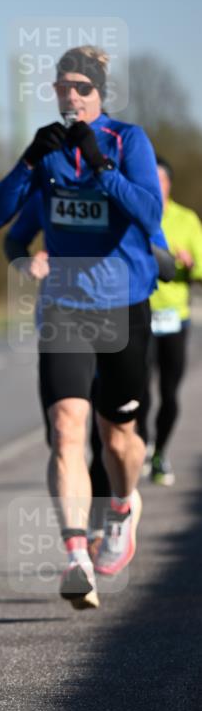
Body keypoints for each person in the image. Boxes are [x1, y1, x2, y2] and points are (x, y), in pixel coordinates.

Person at [0, 45, 162, 610]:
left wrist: (103, 168)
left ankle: (124, 506)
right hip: (63, 309)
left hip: (123, 304)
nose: (71, 96)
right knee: (66, 431)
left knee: (119, 440)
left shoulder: (126, 141)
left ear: (100, 92)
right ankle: (75, 557)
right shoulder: (50, 154)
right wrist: (28, 163)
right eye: (63, 86)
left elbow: (150, 215)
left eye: (82, 87)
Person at [4, 195, 175, 555]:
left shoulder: (127, 197)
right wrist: (29, 264)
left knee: (110, 440)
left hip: (123, 329)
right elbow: (12, 236)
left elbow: (168, 266)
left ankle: (116, 514)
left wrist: (130, 254)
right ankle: (80, 549)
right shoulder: (53, 189)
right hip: (65, 328)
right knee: (66, 435)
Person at [137, 157, 202, 485]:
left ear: (169, 184)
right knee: (140, 387)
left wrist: (189, 264)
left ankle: (161, 451)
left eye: (159, 180)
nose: (154, 185)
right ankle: (144, 443)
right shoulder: (135, 214)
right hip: (140, 313)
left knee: (169, 391)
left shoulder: (186, 220)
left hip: (174, 317)